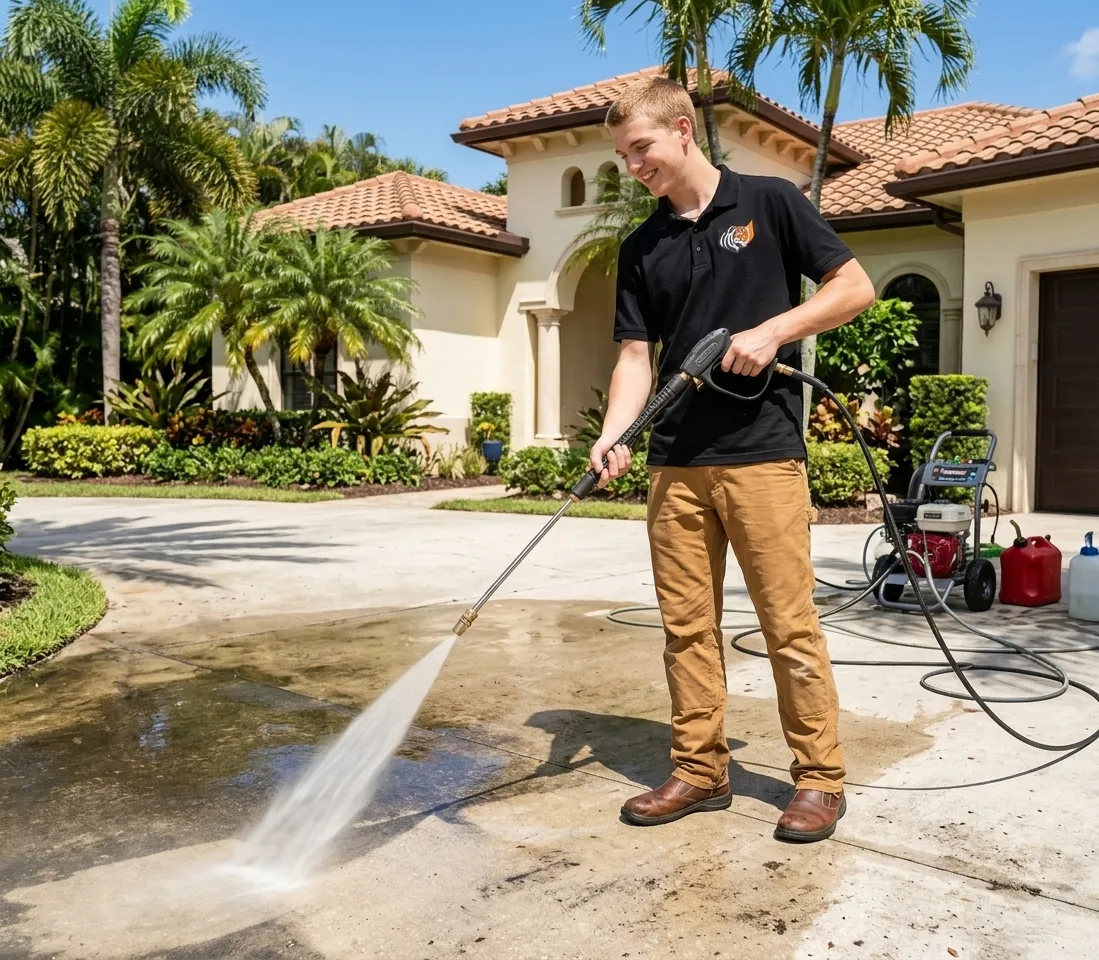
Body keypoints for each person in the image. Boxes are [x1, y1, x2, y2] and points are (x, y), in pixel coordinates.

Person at [592, 77, 875, 843]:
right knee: (685, 628)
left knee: (788, 625)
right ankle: (698, 768)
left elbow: (853, 287)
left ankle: (818, 780)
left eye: (641, 148)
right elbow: (633, 356)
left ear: (682, 130)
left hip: (760, 456)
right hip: (674, 461)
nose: (633, 166)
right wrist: (614, 432)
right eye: (622, 156)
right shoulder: (641, 245)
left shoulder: (769, 203)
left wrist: (773, 330)